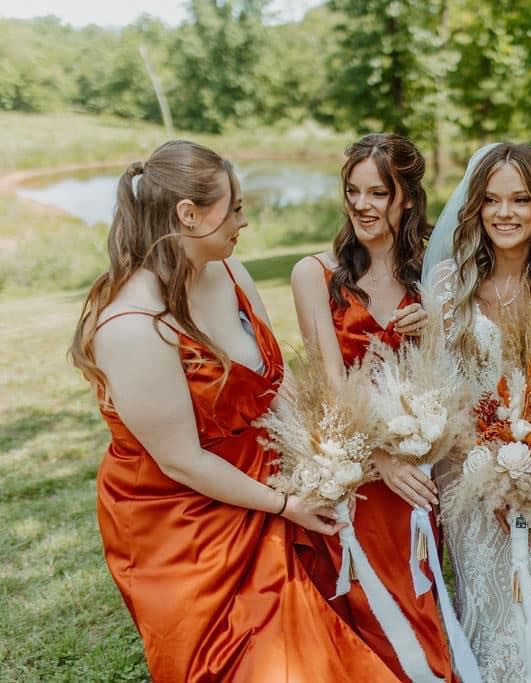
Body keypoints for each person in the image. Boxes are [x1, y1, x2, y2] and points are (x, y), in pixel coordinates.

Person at [69, 140, 397, 682]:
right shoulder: (132, 326)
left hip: (269, 481)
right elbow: (182, 461)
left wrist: (322, 450)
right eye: (235, 207)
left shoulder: (229, 270)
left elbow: (275, 381)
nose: (244, 220)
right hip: (187, 521)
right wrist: (285, 504)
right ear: (189, 214)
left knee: (327, 640)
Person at [424, 142, 531, 681]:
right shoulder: (447, 285)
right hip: (468, 480)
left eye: (521, 199)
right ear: (475, 206)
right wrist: (489, 475)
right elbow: (443, 393)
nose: (505, 213)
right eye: (492, 200)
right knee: (488, 618)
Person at [290, 133, 453, 682]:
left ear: (406, 198)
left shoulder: (435, 272)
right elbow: (330, 385)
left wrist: (436, 329)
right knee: (379, 610)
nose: (362, 204)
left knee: (424, 596)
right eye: (353, 191)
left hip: (426, 466)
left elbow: (461, 373)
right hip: (359, 470)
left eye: (378, 193)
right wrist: (381, 459)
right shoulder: (314, 274)